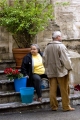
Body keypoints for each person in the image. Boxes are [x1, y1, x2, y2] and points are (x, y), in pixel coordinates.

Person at [43, 31, 75, 111]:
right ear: (58, 37)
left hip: (51, 71)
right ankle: (66, 106)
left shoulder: (47, 47)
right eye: (61, 36)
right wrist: (69, 68)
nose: (62, 38)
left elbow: (44, 59)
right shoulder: (61, 46)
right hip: (61, 71)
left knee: (52, 90)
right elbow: (66, 59)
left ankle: (54, 106)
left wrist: (47, 68)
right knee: (64, 89)